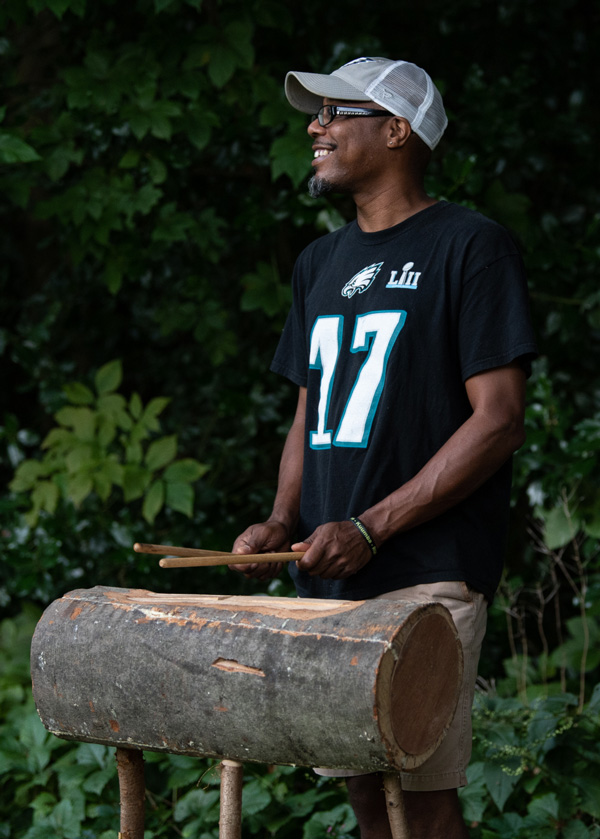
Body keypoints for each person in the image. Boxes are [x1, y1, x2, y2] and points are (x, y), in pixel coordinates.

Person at [231, 57, 538, 839]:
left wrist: (372, 526)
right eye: (317, 114)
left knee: (425, 804)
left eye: (336, 112)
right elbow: (311, 409)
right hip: (331, 570)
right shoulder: (318, 263)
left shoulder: (472, 246)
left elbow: (499, 419)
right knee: (367, 795)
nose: (315, 127)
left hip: (423, 574)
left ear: (397, 131)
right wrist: (279, 520)